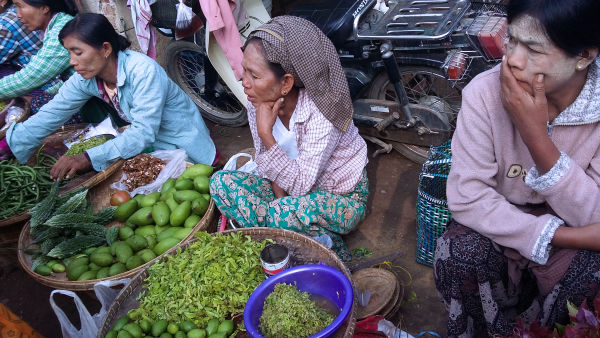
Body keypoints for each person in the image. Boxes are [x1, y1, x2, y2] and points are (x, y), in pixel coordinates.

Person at [433, 0, 600, 335]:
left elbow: (595, 217)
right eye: (512, 40)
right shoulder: (484, 92)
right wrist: (548, 235)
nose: (513, 60)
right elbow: (468, 196)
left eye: (534, 50)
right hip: (503, 223)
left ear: (584, 56)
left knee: (591, 275)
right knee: (458, 252)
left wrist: (535, 136)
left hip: (577, 238)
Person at [209, 16, 369, 261]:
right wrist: (279, 203)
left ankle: (334, 253)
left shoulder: (321, 111)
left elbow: (302, 185)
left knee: (282, 213)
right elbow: (267, 167)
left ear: (286, 83)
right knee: (220, 184)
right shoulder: (257, 103)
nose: (244, 83)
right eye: (244, 72)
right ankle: (288, 233)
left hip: (341, 196)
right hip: (293, 188)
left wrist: (266, 135)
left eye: (254, 75)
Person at [1, 13, 216, 179]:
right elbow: (53, 112)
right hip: (150, 145)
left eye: (78, 52)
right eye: (69, 53)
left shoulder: (142, 71)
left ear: (105, 49)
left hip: (181, 144)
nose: (71, 61)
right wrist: (11, 143)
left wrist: (87, 157)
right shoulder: (86, 78)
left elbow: (142, 134)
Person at [0, 0, 76, 109]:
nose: (18, 15)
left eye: (20, 7)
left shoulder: (63, 31)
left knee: (37, 104)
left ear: (44, 8)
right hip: (65, 88)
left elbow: (31, 77)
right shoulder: (51, 27)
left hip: (88, 101)